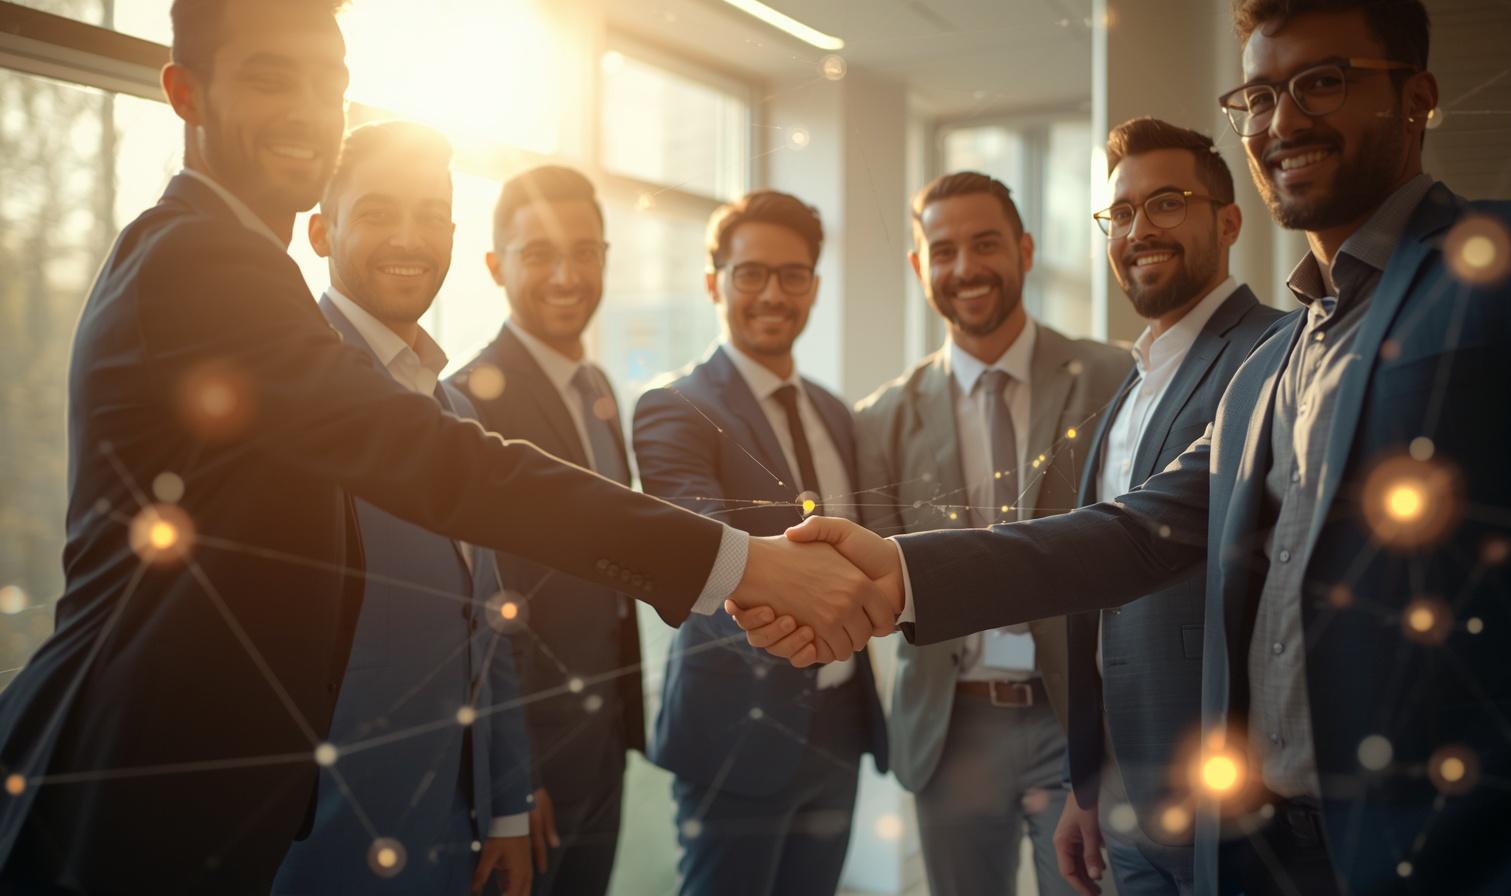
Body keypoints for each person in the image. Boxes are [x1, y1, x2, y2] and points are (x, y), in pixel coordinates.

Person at [0, 1, 891, 891]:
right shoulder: (204, 260)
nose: (311, 106)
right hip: (134, 790)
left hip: (205, 790)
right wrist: (741, 564)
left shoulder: (233, 262)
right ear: (184, 93)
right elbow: (443, 465)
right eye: (273, 77)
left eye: (331, 82)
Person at [735, 1, 1511, 893]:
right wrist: (901, 573)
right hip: (1278, 851)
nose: (1283, 121)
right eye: (1259, 97)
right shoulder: (1279, 359)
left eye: (1323, 83)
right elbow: (1131, 533)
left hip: (1469, 855)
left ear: (1416, 97)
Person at [270, 120, 532, 896]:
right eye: (378, 212)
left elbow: (490, 618)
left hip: (452, 836)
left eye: (429, 214)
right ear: (321, 232)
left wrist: (507, 808)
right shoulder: (287, 393)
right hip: (322, 842)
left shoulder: (453, 408)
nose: (408, 238)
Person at [855, 171, 1128, 896]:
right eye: (943, 251)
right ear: (920, 267)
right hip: (952, 726)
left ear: (1026, 249)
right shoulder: (881, 418)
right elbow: (880, 588)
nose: (966, 269)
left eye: (986, 244)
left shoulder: (1112, 375)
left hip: (1076, 716)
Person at [1046, 118, 1282, 896]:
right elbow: (1099, 599)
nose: (1138, 230)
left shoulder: (1276, 354)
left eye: (1167, 203)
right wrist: (1091, 783)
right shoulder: (1127, 389)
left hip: (1233, 806)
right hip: (1123, 800)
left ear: (1229, 220)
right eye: (1120, 213)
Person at [633, 190, 888, 896]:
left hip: (839, 725)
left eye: (793, 275)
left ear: (814, 287)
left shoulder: (836, 412)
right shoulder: (674, 405)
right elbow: (699, 546)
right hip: (734, 735)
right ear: (715, 283)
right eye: (751, 274)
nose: (773, 294)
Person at [450, 165, 639, 896]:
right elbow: (484, 608)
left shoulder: (598, 390)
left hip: (604, 732)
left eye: (586, 252)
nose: (568, 276)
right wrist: (515, 774)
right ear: (497, 266)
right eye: (540, 256)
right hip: (530, 752)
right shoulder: (468, 404)